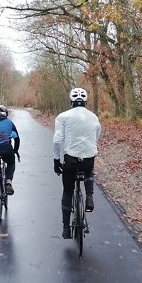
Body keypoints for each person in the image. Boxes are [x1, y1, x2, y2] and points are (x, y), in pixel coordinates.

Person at [52, 87, 102, 239]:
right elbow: (97, 135)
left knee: (68, 190)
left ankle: (66, 228)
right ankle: (89, 197)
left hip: (71, 159)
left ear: (71, 101)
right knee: (89, 170)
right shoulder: (94, 117)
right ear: (85, 101)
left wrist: (56, 160)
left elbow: (57, 140)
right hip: (88, 158)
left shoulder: (62, 117)